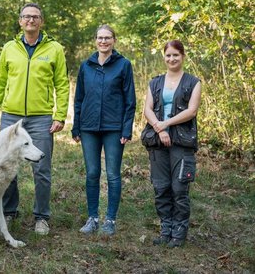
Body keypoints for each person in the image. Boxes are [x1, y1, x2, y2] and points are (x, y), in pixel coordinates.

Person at [0, 3, 70, 235]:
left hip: (41, 117)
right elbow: (0, 81)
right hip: (11, 116)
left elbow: (62, 84)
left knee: (41, 168)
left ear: (41, 21)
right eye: (26, 17)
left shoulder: (54, 49)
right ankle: (9, 212)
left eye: (35, 17)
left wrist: (60, 115)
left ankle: (42, 217)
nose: (30, 20)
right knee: (7, 166)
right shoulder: (9, 48)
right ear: (20, 21)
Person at [72, 24, 136, 236]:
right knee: (92, 173)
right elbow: (79, 98)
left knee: (112, 174)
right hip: (89, 126)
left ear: (114, 40)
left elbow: (130, 101)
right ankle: (92, 218)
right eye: (100, 38)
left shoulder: (123, 65)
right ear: (95, 40)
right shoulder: (86, 65)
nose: (103, 41)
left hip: (114, 128)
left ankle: (110, 219)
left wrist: (126, 129)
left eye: (108, 38)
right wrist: (76, 125)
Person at [143, 40, 201, 248]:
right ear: (164, 57)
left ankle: (179, 232)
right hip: (157, 141)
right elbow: (147, 110)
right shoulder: (155, 83)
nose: (172, 59)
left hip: (182, 142)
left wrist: (166, 124)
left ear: (183, 56)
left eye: (176, 55)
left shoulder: (193, 82)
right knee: (161, 188)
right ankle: (165, 229)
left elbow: (191, 111)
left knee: (179, 188)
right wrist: (159, 129)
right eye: (168, 55)